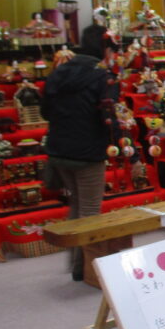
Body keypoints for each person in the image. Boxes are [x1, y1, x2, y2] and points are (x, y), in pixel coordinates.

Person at [40, 24, 119, 280]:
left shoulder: (58, 72)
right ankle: (87, 270)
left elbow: (44, 111)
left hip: (59, 150)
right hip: (88, 151)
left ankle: (77, 264)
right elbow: (108, 118)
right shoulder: (102, 76)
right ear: (105, 48)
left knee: (76, 204)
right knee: (90, 210)